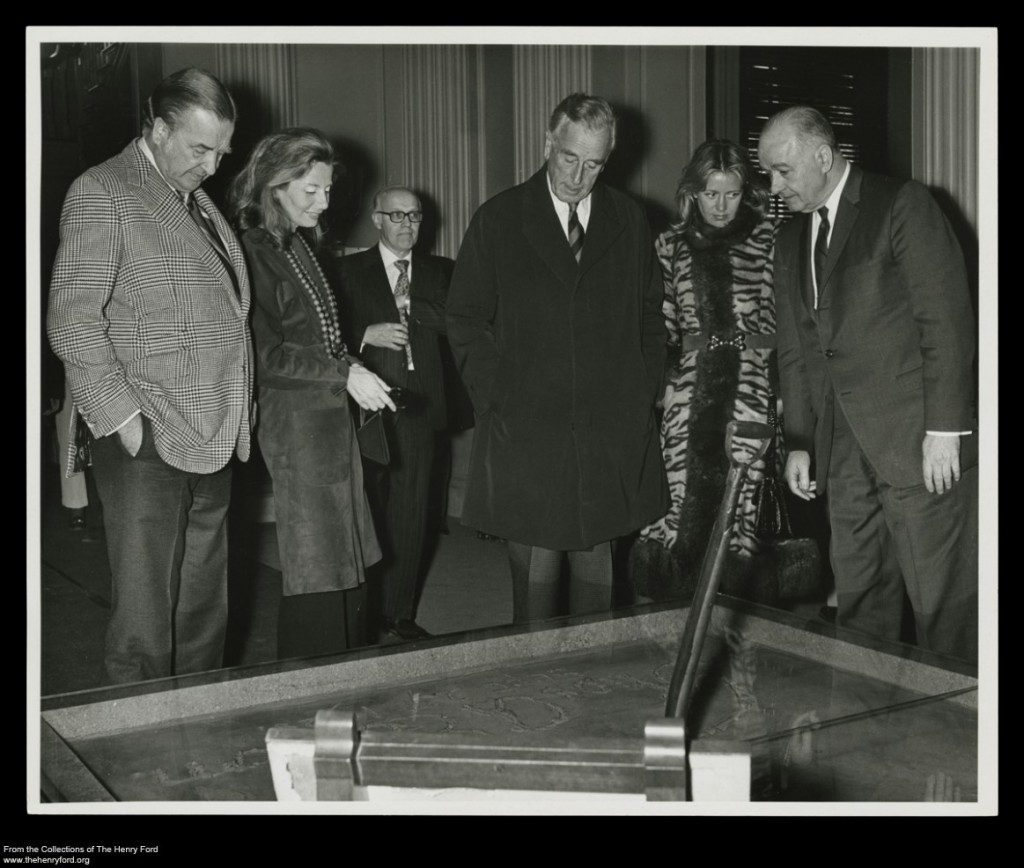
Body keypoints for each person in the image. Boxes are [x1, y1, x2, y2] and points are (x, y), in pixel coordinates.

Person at [47, 68, 253, 684]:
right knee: (143, 629)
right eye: (201, 148)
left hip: (213, 433)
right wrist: (124, 421)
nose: (214, 165)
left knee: (201, 618)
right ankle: (138, 761)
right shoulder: (103, 191)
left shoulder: (198, 201)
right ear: (159, 129)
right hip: (149, 439)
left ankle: (197, 743)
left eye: (222, 151)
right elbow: (71, 319)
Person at [758, 105, 978, 662]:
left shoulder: (901, 204)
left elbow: (946, 322)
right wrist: (802, 443)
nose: (773, 187)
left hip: (919, 444)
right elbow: (797, 351)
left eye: (783, 171)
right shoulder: (789, 242)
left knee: (942, 609)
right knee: (859, 605)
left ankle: (960, 735)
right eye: (768, 173)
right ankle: (867, 726)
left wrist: (946, 428)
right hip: (843, 452)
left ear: (823, 156)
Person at [447, 93, 669, 624]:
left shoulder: (628, 218)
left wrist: (643, 389)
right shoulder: (500, 217)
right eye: (569, 158)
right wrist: (499, 395)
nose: (578, 175)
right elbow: (465, 318)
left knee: (599, 588)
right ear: (549, 142)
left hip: (605, 429)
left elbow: (649, 316)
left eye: (593, 164)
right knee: (537, 592)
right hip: (528, 430)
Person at [228, 128, 395, 658]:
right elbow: (266, 354)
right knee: (317, 561)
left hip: (325, 419)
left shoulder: (295, 243)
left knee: (344, 552)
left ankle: (343, 677)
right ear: (275, 187)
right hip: (294, 423)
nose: (324, 204)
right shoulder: (255, 251)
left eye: (327, 191)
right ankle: (309, 687)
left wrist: (351, 367)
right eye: (311, 191)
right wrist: (344, 374)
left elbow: (324, 335)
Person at [628, 139, 782, 602]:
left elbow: (784, 322)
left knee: (742, 505)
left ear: (746, 192)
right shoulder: (669, 244)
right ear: (693, 192)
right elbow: (663, 323)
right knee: (678, 500)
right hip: (688, 390)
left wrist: (781, 390)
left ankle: (737, 615)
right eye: (710, 193)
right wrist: (666, 385)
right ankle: (673, 613)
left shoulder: (770, 239)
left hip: (750, 388)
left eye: (731, 193)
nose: (720, 205)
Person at [333, 187, 456, 642]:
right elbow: (326, 333)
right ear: (377, 218)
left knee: (411, 514)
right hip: (366, 406)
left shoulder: (441, 273)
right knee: (365, 511)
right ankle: (361, 612)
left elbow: (461, 319)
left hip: (422, 407)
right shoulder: (345, 271)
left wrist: (409, 308)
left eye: (415, 216)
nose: (407, 224)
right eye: (397, 215)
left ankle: (398, 614)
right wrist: (366, 332)